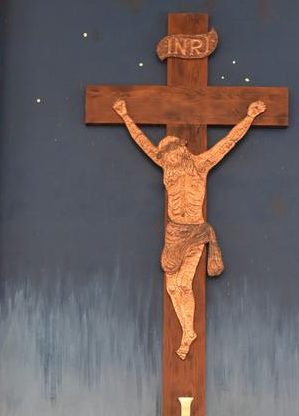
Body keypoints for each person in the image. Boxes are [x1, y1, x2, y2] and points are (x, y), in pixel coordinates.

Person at [113, 98, 266, 359]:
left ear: (181, 149)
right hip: (174, 232)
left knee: (184, 283)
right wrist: (125, 115)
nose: (168, 158)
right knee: (173, 287)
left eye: (171, 153)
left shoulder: (201, 164)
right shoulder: (165, 165)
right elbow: (142, 141)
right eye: (165, 156)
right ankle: (188, 330)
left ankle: (187, 334)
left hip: (195, 231)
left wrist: (249, 117)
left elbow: (229, 141)